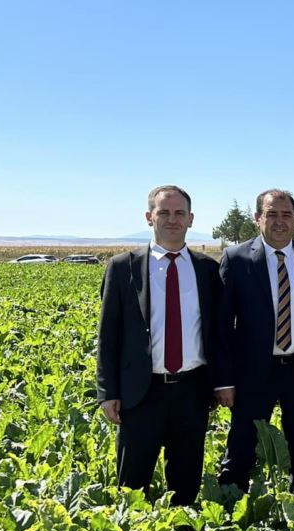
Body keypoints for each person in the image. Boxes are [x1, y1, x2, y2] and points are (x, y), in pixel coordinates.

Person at [216, 188, 294, 499]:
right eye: (271, 214)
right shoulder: (236, 259)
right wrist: (223, 380)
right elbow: (220, 327)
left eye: (286, 214)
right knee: (241, 448)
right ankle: (232, 512)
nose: (279, 221)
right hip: (253, 371)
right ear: (258, 218)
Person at [96, 185, 221, 506]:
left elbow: (219, 333)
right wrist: (107, 392)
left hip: (192, 392)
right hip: (141, 393)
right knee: (132, 486)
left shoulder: (207, 270)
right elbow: (108, 334)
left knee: (186, 483)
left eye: (179, 213)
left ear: (191, 219)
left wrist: (221, 383)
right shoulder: (123, 267)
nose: (172, 219)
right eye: (164, 212)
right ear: (149, 216)